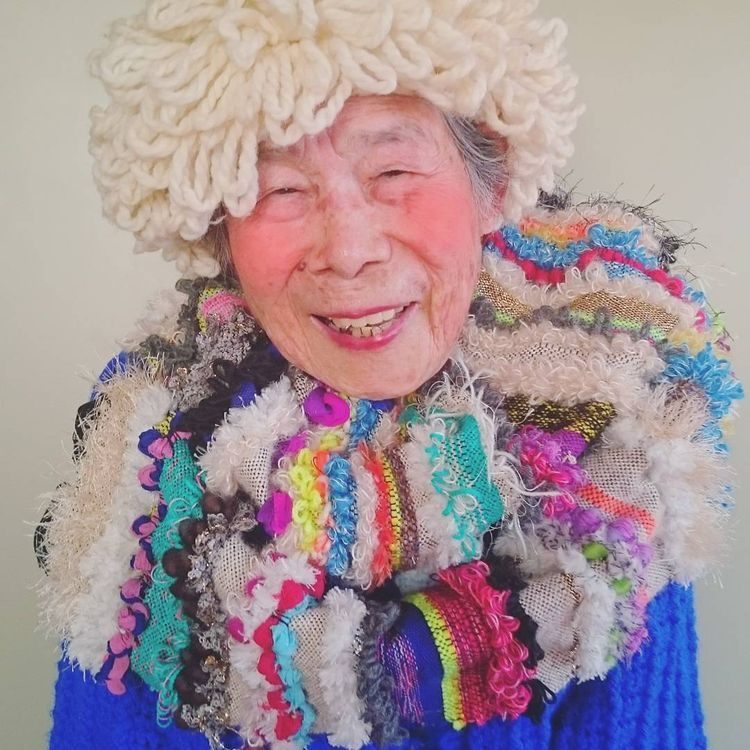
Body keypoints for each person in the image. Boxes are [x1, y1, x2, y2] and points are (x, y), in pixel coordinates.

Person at [36, 1, 743, 748]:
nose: (349, 251)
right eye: (280, 189)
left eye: (393, 170)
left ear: (491, 183)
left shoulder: (617, 423)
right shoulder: (149, 448)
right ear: (221, 233)